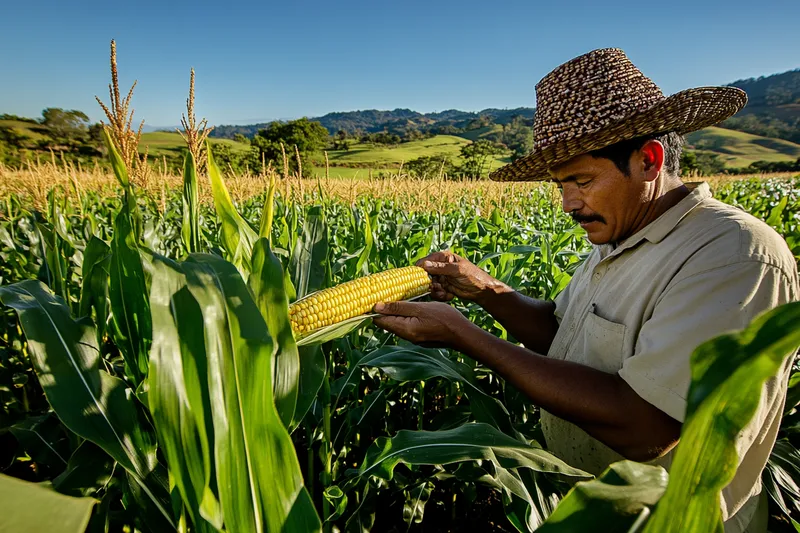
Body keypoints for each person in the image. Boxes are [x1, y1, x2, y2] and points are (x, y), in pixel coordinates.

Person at [371, 48, 799, 533]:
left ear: (649, 160)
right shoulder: (620, 234)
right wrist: (486, 291)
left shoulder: (733, 253)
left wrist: (465, 336)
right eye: (560, 185)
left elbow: (647, 428)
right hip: (590, 509)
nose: (568, 203)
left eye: (581, 180)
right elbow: (562, 333)